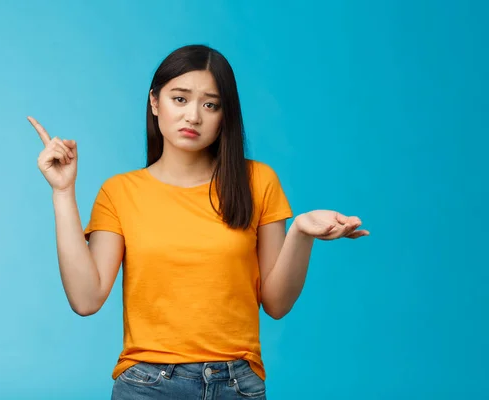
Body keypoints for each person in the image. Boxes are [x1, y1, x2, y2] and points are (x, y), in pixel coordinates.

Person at [28, 44, 369, 400]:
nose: (193, 116)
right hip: (148, 384)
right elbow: (86, 299)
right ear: (155, 102)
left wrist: (300, 233)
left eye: (210, 104)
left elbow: (277, 304)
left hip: (237, 384)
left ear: (225, 116)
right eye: (180, 99)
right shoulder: (120, 192)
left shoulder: (258, 183)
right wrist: (63, 192)